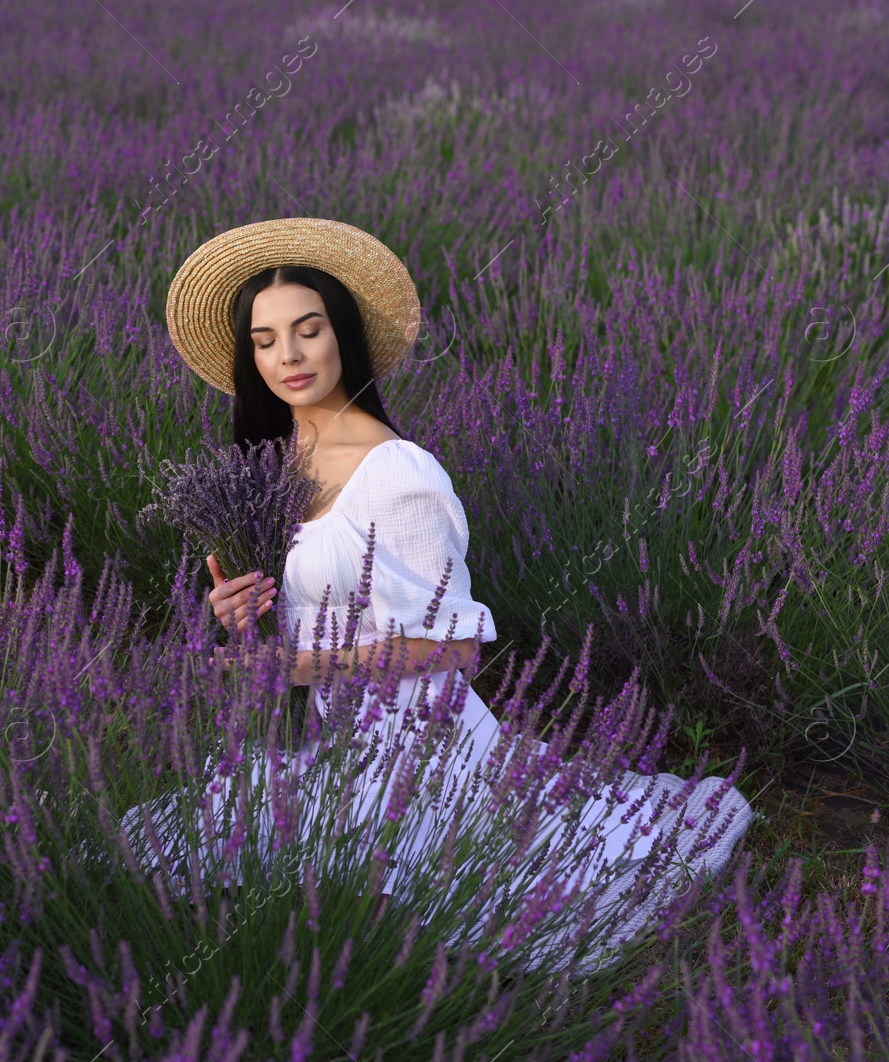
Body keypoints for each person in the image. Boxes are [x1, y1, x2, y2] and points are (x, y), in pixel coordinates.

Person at [112, 217, 754, 975]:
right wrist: (241, 616)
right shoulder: (278, 461)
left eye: (308, 330)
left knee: (422, 896)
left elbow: (454, 648)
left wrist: (294, 668)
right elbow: (309, 607)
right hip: (336, 740)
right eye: (264, 339)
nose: (287, 355)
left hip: (420, 748)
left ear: (342, 336)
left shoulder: (400, 472)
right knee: (152, 844)